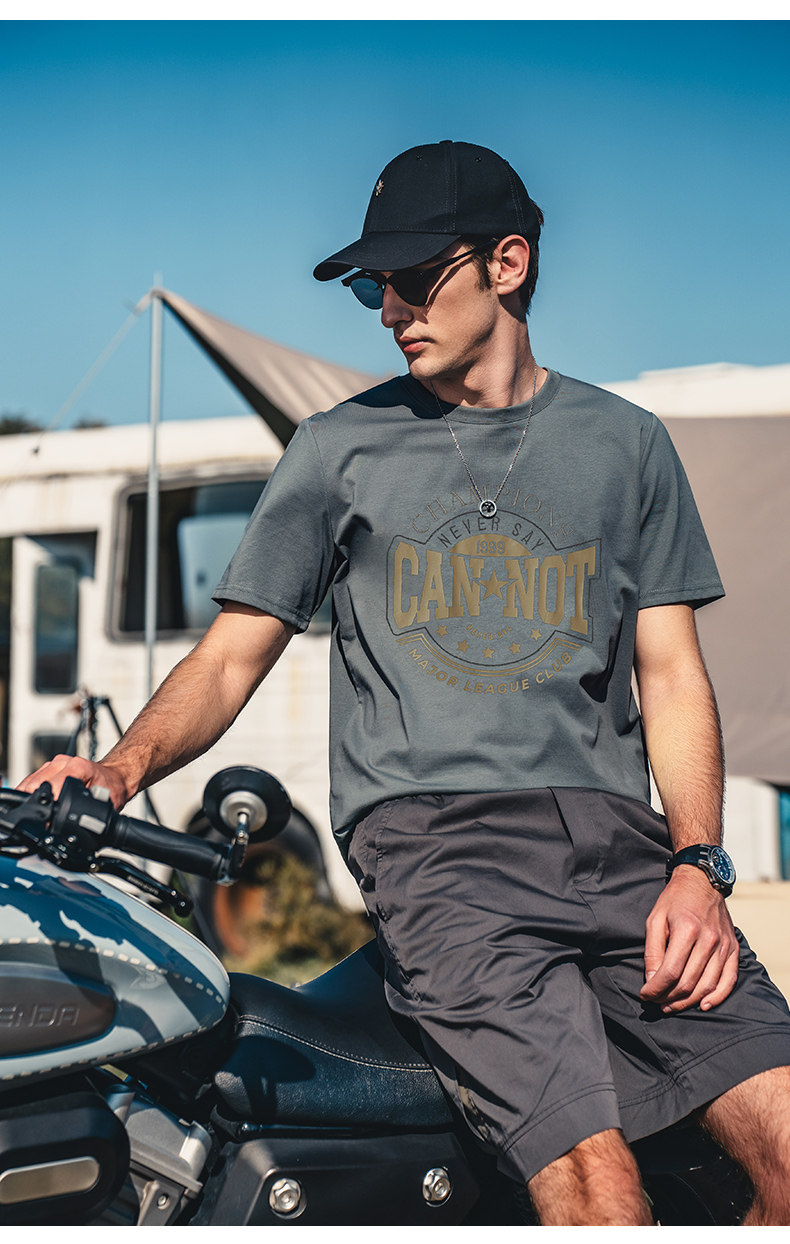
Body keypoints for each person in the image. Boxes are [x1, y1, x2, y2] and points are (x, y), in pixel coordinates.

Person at [20, 140, 790, 1225]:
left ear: (509, 263)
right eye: (372, 285)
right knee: (601, 1194)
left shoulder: (628, 446)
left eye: (416, 277)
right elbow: (234, 651)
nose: (390, 308)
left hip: (622, 848)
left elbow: (670, 673)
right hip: (443, 855)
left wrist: (699, 864)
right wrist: (119, 767)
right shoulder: (338, 449)